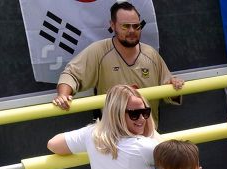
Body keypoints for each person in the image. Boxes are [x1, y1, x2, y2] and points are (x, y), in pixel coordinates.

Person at [52, 2, 184, 119]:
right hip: (113, 137)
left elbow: (168, 89)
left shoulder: (151, 54)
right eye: (125, 26)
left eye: (136, 26)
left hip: (147, 134)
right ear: (113, 25)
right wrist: (63, 96)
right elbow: (71, 74)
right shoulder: (99, 51)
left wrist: (174, 86)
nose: (132, 31)